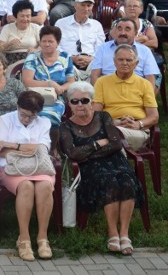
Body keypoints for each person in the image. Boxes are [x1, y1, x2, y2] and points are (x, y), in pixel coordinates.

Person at [60, 81, 144, 256]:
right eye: (74, 101)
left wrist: (88, 151)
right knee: (109, 182)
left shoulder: (103, 117)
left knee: (127, 181)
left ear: (92, 101)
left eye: (84, 100)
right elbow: (73, 153)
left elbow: (115, 144)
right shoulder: (66, 126)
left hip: (115, 160)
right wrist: (97, 144)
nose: (80, 105)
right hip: (89, 168)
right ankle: (113, 233)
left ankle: (124, 234)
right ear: (69, 105)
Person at [0, 90, 54, 262]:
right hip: (11, 168)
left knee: (44, 186)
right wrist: (29, 148)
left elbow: (43, 149)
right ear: (18, 107)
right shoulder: (6, 119)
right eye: (23, 115)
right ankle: (24, 238)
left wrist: (15, 146)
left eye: (32, 117)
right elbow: (1, 151)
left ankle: (43, 238)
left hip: (39, 167)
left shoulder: (45, 122)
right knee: (26, 185)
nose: (27, 119)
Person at [93, 44, 159, 151]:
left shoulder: (145, 84)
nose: (124, 63)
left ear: (136, 63)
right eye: (120, 60)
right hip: (110, 125)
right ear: (114, 62)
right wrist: (111, 123)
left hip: (136, 129)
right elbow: (96, 113)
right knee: (113, 135)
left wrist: (138, 124)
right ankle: (120, 166)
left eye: (129, 60)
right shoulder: (102, 82)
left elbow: (154, 117)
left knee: (112, 137)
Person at [22, 26, 76, 126]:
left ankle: (50, 141)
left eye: (50, 41)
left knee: (50, 118)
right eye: (44, 41)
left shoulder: (65, 57)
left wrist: (61, 88)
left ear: (58, 43)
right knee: (34, 117)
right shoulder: (33, 57)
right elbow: (27, 81)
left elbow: (71, 81)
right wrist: (50, 84)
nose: (47, 44)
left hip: (56, 98)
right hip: (34, 97)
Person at [90, 18, 160, 89]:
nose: (122, 33)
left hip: (135, 90)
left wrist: (145, 97)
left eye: (127, 29)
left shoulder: (145, 51)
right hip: (108, 89)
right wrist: (101, 94)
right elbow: (94, 75)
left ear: (135, 33)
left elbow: (150, 79)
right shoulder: (103, 48)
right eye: (119, 29)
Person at [55, 0, 105, 80]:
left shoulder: (96, 25)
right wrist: (70, 58)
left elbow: (100, 48)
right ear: (75, 5)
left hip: (91, 63)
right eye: (83, 5)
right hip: (67, 62)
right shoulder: (61, 23)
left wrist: (91, 59)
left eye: (89, 6)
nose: (86, 9)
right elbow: (56, 46)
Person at [0, 0, 41, 64]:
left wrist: (36, 50)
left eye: (28, 16)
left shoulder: (36, 28)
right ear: (15, 16)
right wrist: (8, 44)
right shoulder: (7, 28)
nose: (25, 19)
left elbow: (44, 45)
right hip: (11, 61)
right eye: (22, 16)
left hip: (31, 59)